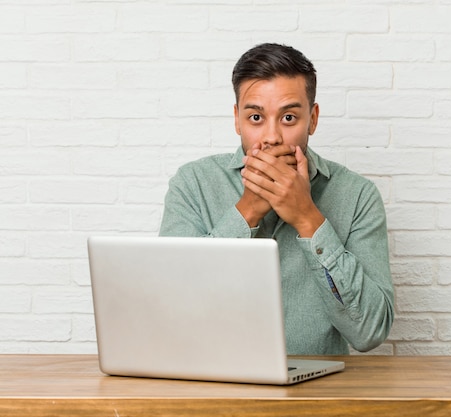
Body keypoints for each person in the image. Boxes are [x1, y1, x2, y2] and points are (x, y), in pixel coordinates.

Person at [159, 43, 394, 355]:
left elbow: (370, 332)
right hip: (213, 387)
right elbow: (170, 313)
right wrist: (247, 211)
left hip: (317, 394)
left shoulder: (357, 196)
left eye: (288, 118)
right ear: (236, 119)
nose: (271, 137)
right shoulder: (193, 184)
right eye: (256, 117)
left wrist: (308, 219)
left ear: (312, 119)